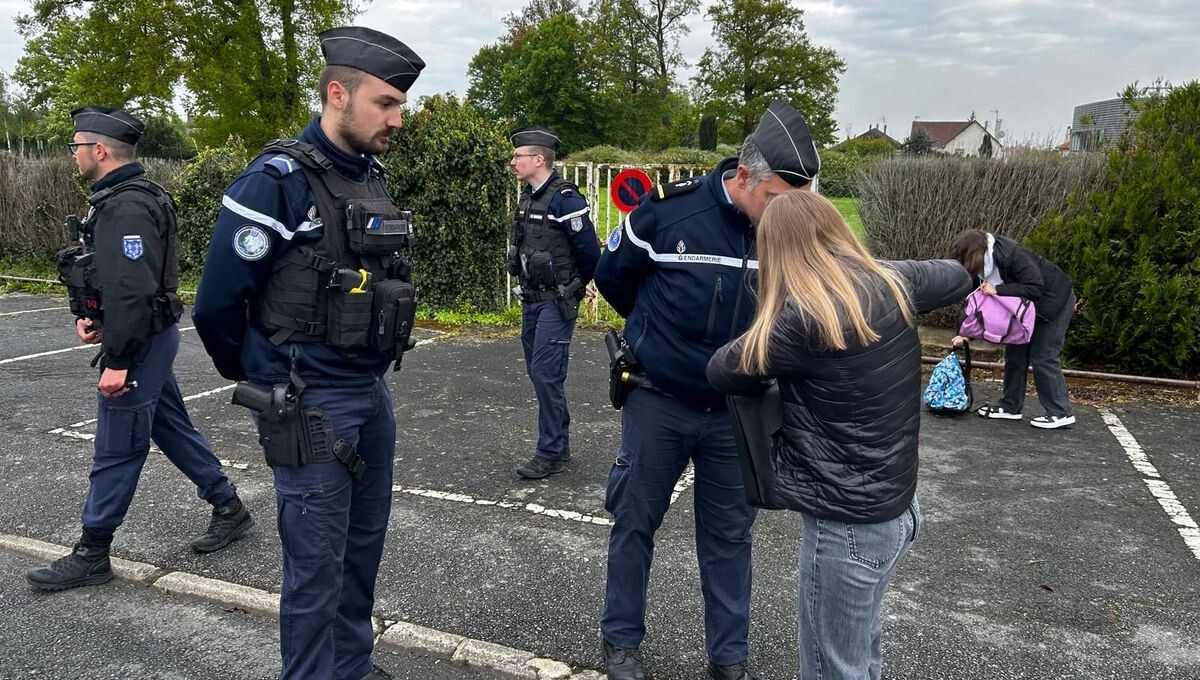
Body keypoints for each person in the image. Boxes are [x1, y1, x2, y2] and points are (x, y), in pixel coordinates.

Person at [191, 27, 424, 680]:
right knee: (315, 568)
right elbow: (215, 306)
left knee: (360, 552)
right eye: (386, 103)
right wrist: (273, 382)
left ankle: (351, 664)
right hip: (311, 406)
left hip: (371, 396)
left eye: (400, 104)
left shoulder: (370, 176)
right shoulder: (278, 181)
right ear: (336, 94)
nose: (397, 119)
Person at [706, 190, 973, 680]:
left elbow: (722, 369)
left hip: (845, 525)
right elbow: (957, 274)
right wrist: (863, 265)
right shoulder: (893, 282)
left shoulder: (804, 321)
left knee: (833, 670)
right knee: (860, 660)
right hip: (895, 513)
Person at [594, 101, 820, 680]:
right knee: (635, 523)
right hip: (658, 401)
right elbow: (613, 277)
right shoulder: (669, 215)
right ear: (743, 176)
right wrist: (657, 339)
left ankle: (729, 661)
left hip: (736, 413)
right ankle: (620, 644)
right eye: (774, 200)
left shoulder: (788, 229)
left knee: (728, 539)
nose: (783, 217)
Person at [26, 107, 252, 592]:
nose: (73, 155)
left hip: (141, 343)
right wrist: (97, 320)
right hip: (142, 336)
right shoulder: (123, 197)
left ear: (99, 150)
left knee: (117, 446)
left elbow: (134, 289)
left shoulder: (127, 205)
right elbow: (115, 280)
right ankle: (229, 507)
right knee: (169, 427)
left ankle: (92, 551)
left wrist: (119, 359)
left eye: (76, 146)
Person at [507, 125, 600, 479]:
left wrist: (577, 286)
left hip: (556, 303)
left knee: (546, 373)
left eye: (518, 156)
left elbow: (590, 252)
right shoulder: (529, 197)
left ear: (539, 159)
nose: (513, 162)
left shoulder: (565, 199)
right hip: (531, 300)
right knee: (539, 373)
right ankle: (558, 443)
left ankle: (549, 452)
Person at [949, 229, 1076, 428]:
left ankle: (1060, 412)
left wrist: (998, 290)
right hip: (1023, 310)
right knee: (1015, 355)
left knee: (1043, 355)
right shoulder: (980, 270)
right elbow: (974, 304)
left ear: (974, 255)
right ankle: (1010, 407)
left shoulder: (1012, 255)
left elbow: (1035, 287)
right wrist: (964, 334)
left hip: (1053, 302)